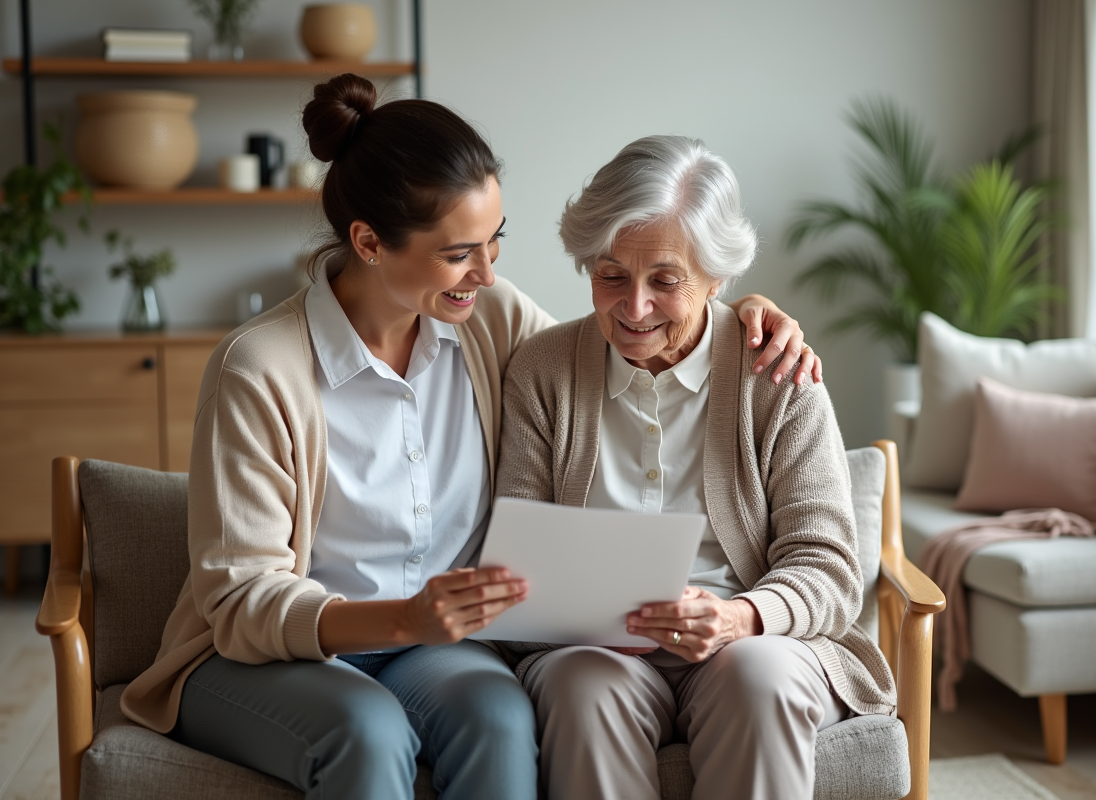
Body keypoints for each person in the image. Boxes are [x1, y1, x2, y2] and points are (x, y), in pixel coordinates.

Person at [118, 76, 819, 800]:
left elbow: (629, 342)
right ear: (368, 242)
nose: (487, 274)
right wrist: (406, 617)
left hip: (434, 650)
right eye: (460, 254)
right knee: (370, 732)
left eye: (495, 243)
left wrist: (741, 314)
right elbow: (240, 605)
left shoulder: (487, 319)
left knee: (499, 718)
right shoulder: (259, 369)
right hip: (276, 655)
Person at [497, 135, 897, 800]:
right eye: (610, 274)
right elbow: (519, 559)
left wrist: (742, 617)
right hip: (595, 652)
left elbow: (828, 566)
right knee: (581, 687)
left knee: (756, 680)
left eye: (666, 279)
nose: (633, 307)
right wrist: (577, 616)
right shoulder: (543, 371)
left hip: (755, 641)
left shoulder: (777, 374)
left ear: (720, 279)